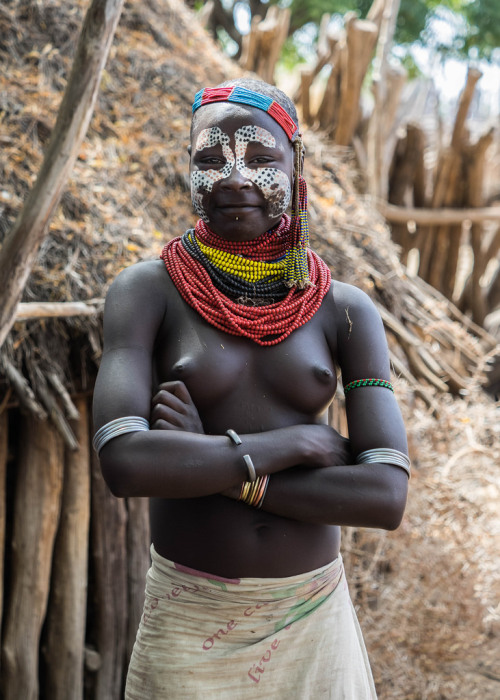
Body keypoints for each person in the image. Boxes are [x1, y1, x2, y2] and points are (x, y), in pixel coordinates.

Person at [92, 78, 409, 699]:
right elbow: (126, 464)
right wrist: (297, 441)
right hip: (190, 621)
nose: (234, 178)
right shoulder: (147, 293)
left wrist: (213, 463)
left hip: (313, 620)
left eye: (262, 160)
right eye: (209, 160)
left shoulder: (345, 311)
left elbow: (384, 496)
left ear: (297, 170)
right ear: (188, 170)